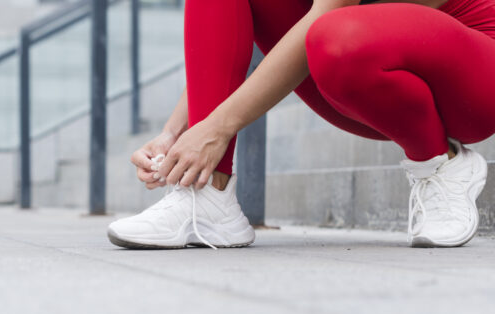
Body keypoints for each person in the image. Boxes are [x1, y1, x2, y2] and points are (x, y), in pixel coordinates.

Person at [107, 0, 494, 249]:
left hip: (477, 71)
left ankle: (439, 163)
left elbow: (325, 16)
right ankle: (209, 196)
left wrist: (215, 130)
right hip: (368, 64)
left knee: (335, 37)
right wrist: (177, 135)